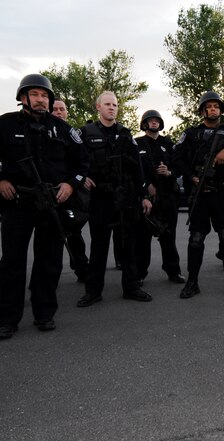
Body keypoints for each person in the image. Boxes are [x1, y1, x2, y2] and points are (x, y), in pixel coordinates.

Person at [0, 74, 88, 339]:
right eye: (36, 94)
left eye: (45, 95)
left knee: (48, 261)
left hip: (52, 203)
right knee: (11, 262)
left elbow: (82, 164)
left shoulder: (62, 129)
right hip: (17, 204)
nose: (41, 100)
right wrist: (1, 179)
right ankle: (7, 318)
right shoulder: (4, 124)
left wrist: (71, 185)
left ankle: (44, 313)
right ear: (23, 98)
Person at [77, 91, 153, 307]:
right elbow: (76, 162)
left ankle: (131, 288)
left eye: (115, 105)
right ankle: (93, 292)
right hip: (100, 199)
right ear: (98, 107)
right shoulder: (85, 133)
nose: (112, 108)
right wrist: (81, 178)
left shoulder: (125, 134)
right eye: (108, 104)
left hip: (125, 199)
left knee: (128, 247)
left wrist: (144, 196)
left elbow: (137, 168)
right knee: (98, 248)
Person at [173, 91, 224, 299]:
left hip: (222, 193)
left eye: (216, 106)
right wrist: (190, 177)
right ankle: (192, 282)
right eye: (209, 106)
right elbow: (176, 158)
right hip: (199, 194)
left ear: (220, 110)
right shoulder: (191, 134)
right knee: (196, 238)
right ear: (202, 110)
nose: (213, 109)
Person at [134, 109, 185, 285]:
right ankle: (139, 273)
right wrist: (145, 186)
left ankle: (173, 271)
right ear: (145, 123)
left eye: (157, 120)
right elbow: (133, 169)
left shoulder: (168, 143)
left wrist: (169, 172)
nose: (154, 123)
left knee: (169, 236)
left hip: (168, 196)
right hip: (148, 197)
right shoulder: (137, 143)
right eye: (150, 120)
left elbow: (179, 166)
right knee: (143, 238)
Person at [52, 98, 90, 282]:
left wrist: (80, 179)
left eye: (62, 109)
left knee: (74, 234)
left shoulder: (74, 134)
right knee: (50, 239)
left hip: (70, 192)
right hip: (47, 192)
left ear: (67, 112)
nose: (58, 112)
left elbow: (84, 162)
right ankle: (48, 277)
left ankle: (82, 270)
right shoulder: (42, 132)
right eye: (55, 109)